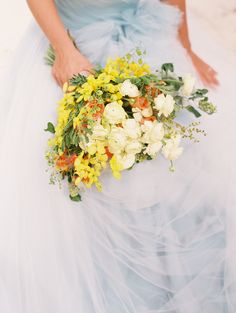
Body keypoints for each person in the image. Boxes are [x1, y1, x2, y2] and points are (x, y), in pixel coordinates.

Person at [0, 0, 235, 312]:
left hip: (146, 27)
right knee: (88, 172)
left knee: (177, 161)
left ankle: (176, 278)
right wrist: (64, 49)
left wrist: (185, 46)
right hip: (72, 34)